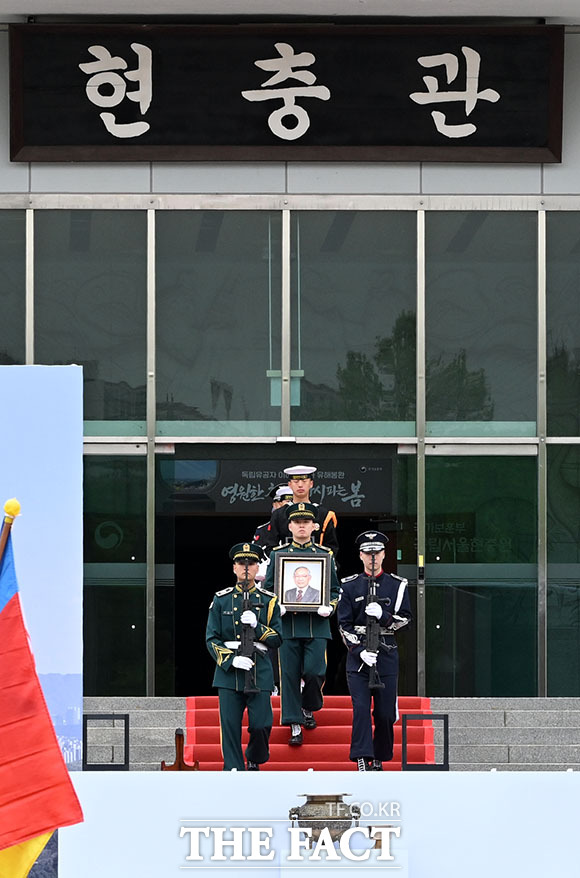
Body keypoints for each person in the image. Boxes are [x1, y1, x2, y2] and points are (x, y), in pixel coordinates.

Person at [264, 502, 340, 745]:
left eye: (306, 522)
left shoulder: (324, 556)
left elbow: (335, 590)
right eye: (297, 522)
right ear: (290, 526)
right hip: (287, 625)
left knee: (315, 671)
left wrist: (330, 606)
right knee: (288, 675)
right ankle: (294, 724)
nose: (302, 526)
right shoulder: (278, 555)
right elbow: (267, 591)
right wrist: (278, 605)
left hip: (316, 625)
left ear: (314, 526)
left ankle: (309, 705)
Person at [337, 530, 411, 772]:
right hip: (358, 655)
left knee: (385, 711)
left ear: (384, 554)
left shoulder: (397, 585)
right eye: (368, 553)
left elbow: (405, 620)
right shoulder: (349, 586)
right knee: (360, 708)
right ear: (360, 555)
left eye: (377, 552)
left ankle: (380, 755)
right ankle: (361, 755)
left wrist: (384, 616)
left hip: (386, 652)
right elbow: (343, 625)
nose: (373, 557)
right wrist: (358, 651)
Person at [206, 542, 283, 771]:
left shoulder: (269, 600)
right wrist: (230, 660)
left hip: (259, 668)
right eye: (242, 563)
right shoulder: (221, 599)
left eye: (251, 563)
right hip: (230, 672)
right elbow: (212, 638)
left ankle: (255, 757)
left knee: (262, 724)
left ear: (258, 567)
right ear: (234, 568)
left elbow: (278, 638)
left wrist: (258, 626)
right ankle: (234, 771)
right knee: (229, 726)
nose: (246, 567)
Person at [261, 466, 339, 558]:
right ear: (289, 484)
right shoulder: (279, 514)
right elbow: (270, 546)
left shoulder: (324, 514)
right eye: (296, 481)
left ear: (311, 484)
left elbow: (331, 548)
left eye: (304, 481)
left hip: (317, 566)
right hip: (285, 566)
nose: (300, 485)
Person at [253, 484, 294, 555]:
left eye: (293, 502)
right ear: (275, 505)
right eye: (288, 502)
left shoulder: (306, 527)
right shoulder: (263, 530)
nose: (290, 506)